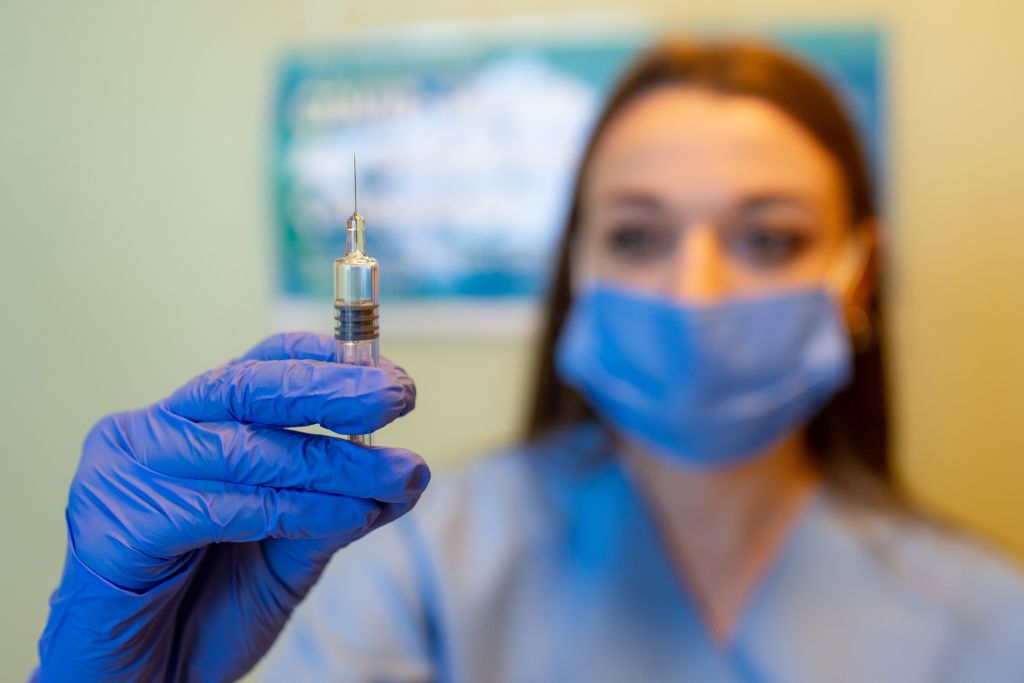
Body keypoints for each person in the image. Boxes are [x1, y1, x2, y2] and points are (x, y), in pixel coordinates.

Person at [34, 40, 1024, 682]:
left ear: (860, 273)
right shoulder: (415, 553)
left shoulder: (987, 617)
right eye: (638, 236)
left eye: (767, 237)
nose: (696, 292)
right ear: (577, 265)